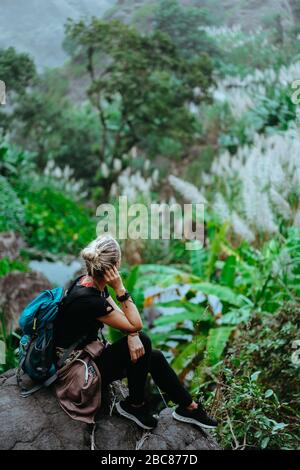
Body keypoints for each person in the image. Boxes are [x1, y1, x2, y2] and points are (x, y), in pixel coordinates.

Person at [53, 235, 218, 431]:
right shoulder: (90, 301)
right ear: (116, 265)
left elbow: (127, 323)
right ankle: (134, 405)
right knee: (144, 341)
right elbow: (135, 324)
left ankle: (190, 408)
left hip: (83, 358)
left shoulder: (86, 282)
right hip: (76, 372)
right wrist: (121, 289)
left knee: (152, 356)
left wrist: (131, 334)